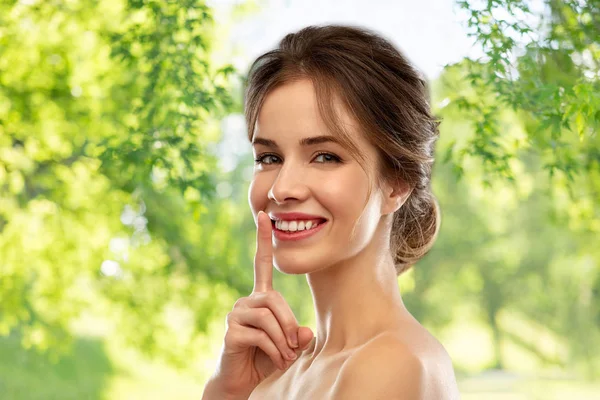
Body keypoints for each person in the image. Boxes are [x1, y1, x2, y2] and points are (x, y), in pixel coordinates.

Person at [202, 24, 460, 400]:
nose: (282, 188)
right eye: (269, 157)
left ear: (397, 183)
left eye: (325, 156)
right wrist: (228, 390)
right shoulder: (286, 373)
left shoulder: (392, 365)